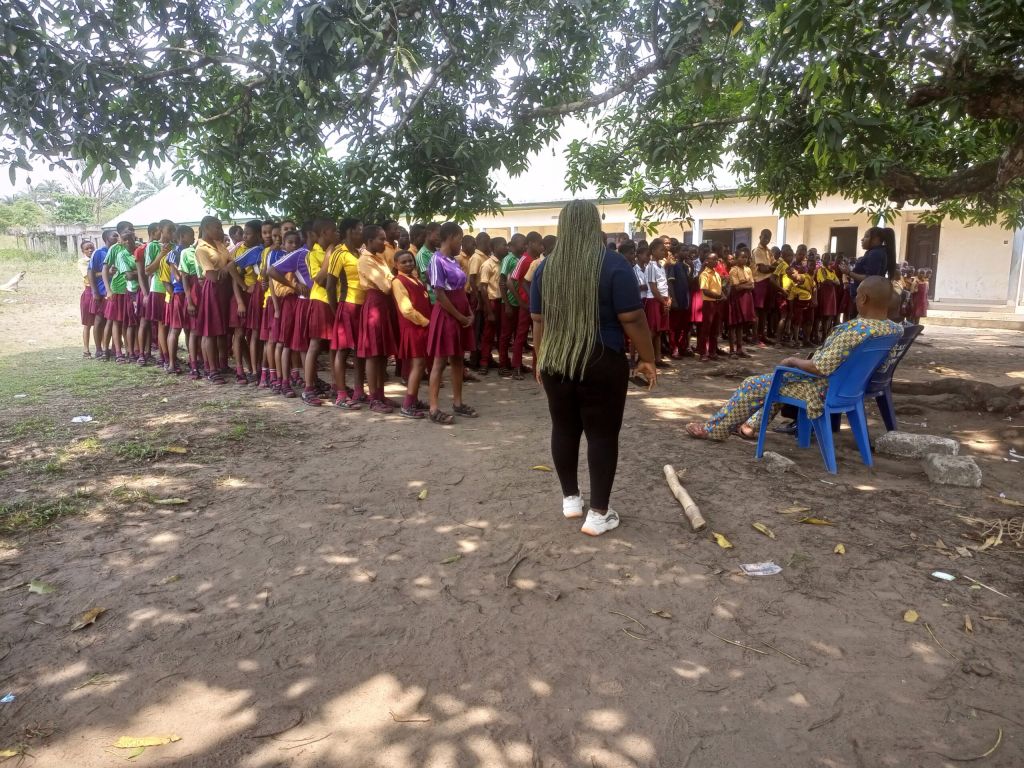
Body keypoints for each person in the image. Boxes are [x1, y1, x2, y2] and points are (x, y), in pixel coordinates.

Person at [530, 200, 657, 537]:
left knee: (564, 428)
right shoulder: (613, 264)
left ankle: (571, 500)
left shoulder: (546, 267)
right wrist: (648, 357)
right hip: (601, 362)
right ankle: (598, 514)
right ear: (592, 224)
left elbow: (538, 321)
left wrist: (540, 358)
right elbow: (632, 317)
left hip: (557, 362)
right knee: (602, 435)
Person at [685, 276, 901, 441]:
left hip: (822, 390)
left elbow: (819, 368)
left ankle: (715, 430)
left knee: (754, 383)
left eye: (857, 295)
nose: (855, 298)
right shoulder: (894, 330)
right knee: (781, 381)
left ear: (863, 298)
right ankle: (752, 426)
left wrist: (792, 361)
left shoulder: (854, 329)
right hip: (851, 388)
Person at [426, 221, 477, 423]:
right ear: (451, 237)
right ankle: (433, 408)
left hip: (460, 312)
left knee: (457, 359)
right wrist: (460, 316)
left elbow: (461, 291)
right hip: (447, 314)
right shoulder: (436, 260)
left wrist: (469, 312)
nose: (461, 244)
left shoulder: (454, 261)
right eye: (460, 239)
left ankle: (458, 403)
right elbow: (439, 294)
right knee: (439, 362)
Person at [357, 224, 399, 413]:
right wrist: (396, 281)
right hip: (375, 304)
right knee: (374, 354)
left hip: (384, 305)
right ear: (369, 241)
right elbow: (386, 285)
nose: (384, 242)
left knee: (382, 353)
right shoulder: (365, 260)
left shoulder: (379, 258)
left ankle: (381, 394)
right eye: (381, 239)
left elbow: (390, 278)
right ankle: (374, 398)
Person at [327, 218, 367, 408]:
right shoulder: (339, 253)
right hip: (347, 306)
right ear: (350, 231)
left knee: (360, 352)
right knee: (342, 351)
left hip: (362, 307)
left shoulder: (359, 253)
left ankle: (359, 391)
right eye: (360, 230)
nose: (362, 234)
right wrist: (336, 312)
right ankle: (341, 394)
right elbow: (330, 285)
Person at [392, 250, 431, 418]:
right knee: (418, 365)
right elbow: (407, 309)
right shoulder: (398, 282)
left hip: (422, 327)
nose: (408, 264)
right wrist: (426, 322)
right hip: (413, 327)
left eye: (410, 261)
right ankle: (408, 404)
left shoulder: (415, 279)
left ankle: (414, 399)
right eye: (404, 262)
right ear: (396, 265)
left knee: (420, 365)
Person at [194, 216, 231, 384]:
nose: (220, 230)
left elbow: (231, 263)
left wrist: (226, 270)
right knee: (211, 331)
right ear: (206, 228)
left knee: (223, 329)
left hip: (226, 289)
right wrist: (226, 271)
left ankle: (223, 364)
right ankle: (212, 369)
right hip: (213, 290)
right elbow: (211, 275)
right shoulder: (201, 249)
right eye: (216, 227)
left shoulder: (220, 244)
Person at [102, 221, 140, 363]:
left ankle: (132, 351)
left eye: (132, 230)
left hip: (133, 289)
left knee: (129, 321)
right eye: (128, 230)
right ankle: (117, 352)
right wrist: (108, 290)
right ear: (120, 234)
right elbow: (106, 269)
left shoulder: (138, 248)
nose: (131, 232)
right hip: (118, 289)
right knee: (116, 322)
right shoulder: (115, 249)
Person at [508, 231, 541, 379]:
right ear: (532, 243)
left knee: (537, 335)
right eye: (539, 244)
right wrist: (521, 302)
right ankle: (516, 367)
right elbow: (510, 281)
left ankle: (536, 368)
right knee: (521, 336)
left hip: (535, 304)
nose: (541, 247)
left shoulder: (535, 260)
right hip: (526, 304)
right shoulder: (524, 260)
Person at [164, 224, 194, 375]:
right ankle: (171, 363)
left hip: (189, 293)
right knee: (175, 329)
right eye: (191, 235)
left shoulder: (191, 252)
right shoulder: (174, 253)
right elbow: (176, 275)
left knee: (190, 329)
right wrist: (185, 276)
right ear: (182, 236)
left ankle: (192, 360)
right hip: (179, 293)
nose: (194, 238)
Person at [498, 233, 526, 376]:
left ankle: (517, 363)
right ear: (514, 244)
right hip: (509, 302)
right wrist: (507, 304)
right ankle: (503, 364)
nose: (524, 245)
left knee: (518, 335)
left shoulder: (521, 259)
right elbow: (502, 281)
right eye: (522, 242)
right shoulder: (508, 259)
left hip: (519, 303)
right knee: (506, 335)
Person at [477, 237, 504, 373]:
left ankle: (502, 362)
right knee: (488, 334)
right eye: (503, 245)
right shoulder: (488, 264)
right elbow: (483, 288)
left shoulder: (503, 263)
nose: (506, 247)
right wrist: (489, 311)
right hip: (492, 302)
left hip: (502, 302)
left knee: (502, 333)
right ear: (494, 248)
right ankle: (484, 362)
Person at [88, 230, 116, 360]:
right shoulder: (99, 253)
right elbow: (91, 273)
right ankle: (99, 349)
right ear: (106, 238)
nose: (117, 237)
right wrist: (94, 292)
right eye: (114, 235)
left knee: (111, 320)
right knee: (99, 320)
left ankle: (108, 347)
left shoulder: (118, 251)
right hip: (102, 290)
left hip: (116, 291)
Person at [644, 239, 671, 367]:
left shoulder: (661, 266)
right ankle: (645, 358)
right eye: (661, 250)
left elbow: (664, 285)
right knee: (652, 331)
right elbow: (653, 288)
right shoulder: (650, 267)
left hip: (662, 300)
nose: (664, 252)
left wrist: (668, 298)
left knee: (659, 331)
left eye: (665, 250)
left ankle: (658, 358)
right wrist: (663, 301)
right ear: (653, 251)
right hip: (654, 300)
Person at [727, 247, 755, 357]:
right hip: (735, 299)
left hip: (746, 298)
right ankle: (732, 350)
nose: (744, 259)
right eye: (742, 257)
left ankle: (740, 348)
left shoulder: (748, 269)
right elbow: (736, 287)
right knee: (733, 324)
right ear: (736, 258)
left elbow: (752, 285)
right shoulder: (733, 270)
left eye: (746, 257)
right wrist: (746, 285)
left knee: (741, 325)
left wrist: (743, 285)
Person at [696, 252, 723, 361]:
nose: (716, 261)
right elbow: (705, 291)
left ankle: (712, 352)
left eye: (717, 259)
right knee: (706, 329)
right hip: (709, 303)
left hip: (717, 303)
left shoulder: (716, 274)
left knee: (715, 330)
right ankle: (703, 353)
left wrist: (722, 296)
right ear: (707, 260)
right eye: (713, 259)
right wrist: (718, 296)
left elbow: (720, 289)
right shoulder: (704, 274)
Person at [78, 240, 97, 357]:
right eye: (87, 248)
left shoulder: (97, 258)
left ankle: (102, 347)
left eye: (92, 247)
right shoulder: (82, 262)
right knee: (88, 323)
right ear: (83, 251)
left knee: (100, 322)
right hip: (89, 292)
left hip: (100, 291)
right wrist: (104, 272)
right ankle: (86, 349)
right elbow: (88, 275)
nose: (90, 250)